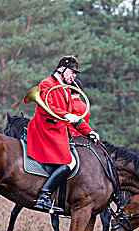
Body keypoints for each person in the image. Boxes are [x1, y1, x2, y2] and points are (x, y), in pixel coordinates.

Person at [26, 55, 99, 212]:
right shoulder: (47, 84)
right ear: (62, 69)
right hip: (45, 130)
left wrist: (89, 132)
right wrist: (66, 115)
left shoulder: (66, 89)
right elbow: (47, 106)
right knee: (69, 162)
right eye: (72, 72)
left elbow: (74, 116)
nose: (74, 76)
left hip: (58, 131)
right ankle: (44, 196)